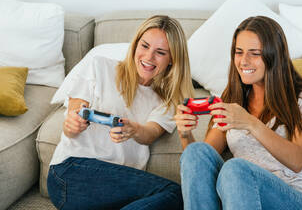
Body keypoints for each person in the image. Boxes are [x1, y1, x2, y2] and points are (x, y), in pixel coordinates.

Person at [175, 16, 302, 210]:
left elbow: (298, 160)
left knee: (235, 168)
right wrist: (185, 134)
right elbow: (203, 162)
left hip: (296, 202)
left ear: (274, 55)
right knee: (196, 152)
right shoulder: (233, 99)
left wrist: (250, 123)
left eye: (254, 53)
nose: (243, 61)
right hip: (242, 201)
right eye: (239, 52)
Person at [47, 15, 193, 210]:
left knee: (173, 199)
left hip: (116, 190)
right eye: (145, 46)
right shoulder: (99, 66)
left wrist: (134, 129)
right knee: (173, 193)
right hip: (71, 173)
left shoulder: (169, 100)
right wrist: (72, 125)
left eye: (160, 52)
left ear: (172, 59)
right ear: (135, 45)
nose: (148, 57)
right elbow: (74, 115)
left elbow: (150, 133)